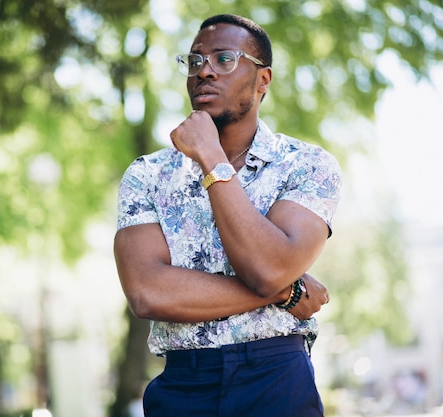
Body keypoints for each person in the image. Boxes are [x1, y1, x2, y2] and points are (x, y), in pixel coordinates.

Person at [114, 13, 342, 417]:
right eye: (195, 61)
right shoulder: (146, 174)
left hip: (276, 379)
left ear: (263, 80)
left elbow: (269, 268)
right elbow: (148, 293)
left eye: (224, 59)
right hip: (183, 386)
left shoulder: (306, 166)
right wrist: (283, 293)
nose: (204, 72)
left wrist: (210, 157)